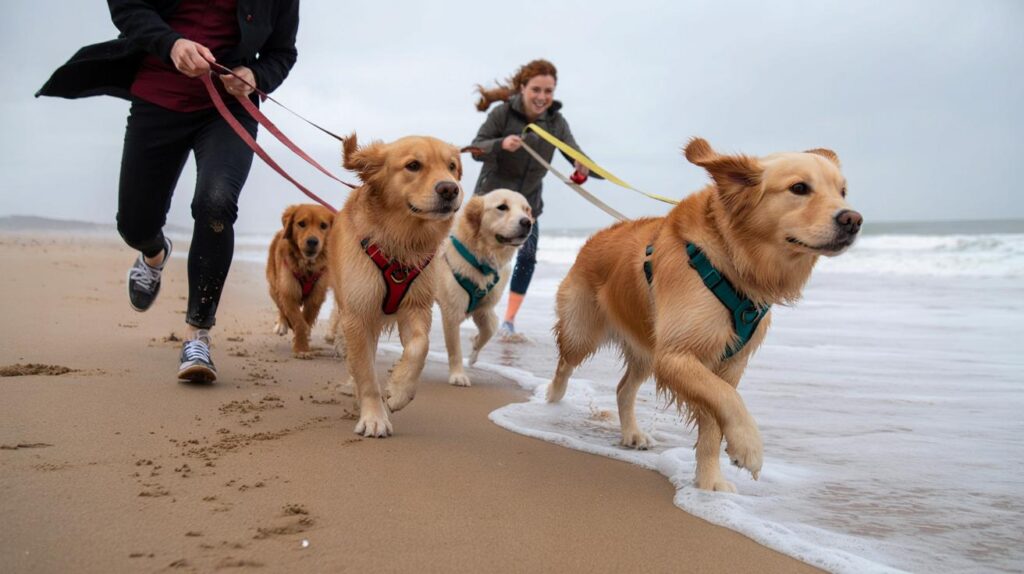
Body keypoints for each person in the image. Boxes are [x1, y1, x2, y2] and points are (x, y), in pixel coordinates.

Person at [36, 0, 300, 382]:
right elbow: (127, 7)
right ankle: (154, 253)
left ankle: (198, 334)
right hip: (158, 97)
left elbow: (282, 52)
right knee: (133, 224)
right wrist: (172, 43)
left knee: (216, 204)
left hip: (228, 109)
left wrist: (255, 75)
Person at [467, 59, 594, 340]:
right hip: (492, 204)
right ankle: (468, 307)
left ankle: (508, 321)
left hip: (528, 206)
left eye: (548, 91)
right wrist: (502, 144)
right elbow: (476, 148)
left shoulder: (556, 123)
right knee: (476, 255)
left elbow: (574, 152)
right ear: (523, 88)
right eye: (536, 89)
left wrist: (581, 166)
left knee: (527, 257)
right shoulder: (502, 114)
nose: (542, 97)